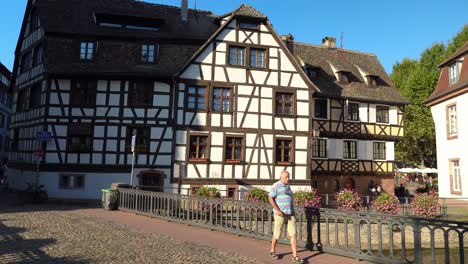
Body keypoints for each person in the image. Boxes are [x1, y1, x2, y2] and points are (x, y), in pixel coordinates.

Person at [268, 170, 303, 263]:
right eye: (285, 177)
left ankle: (295, 256)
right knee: (277, 233)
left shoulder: (288, 186)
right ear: (281, 177)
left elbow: (290, 199)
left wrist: (292, 211)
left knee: (293, 234)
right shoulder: (276, 185)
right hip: (280, 214)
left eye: (288, 177)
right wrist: (278, 210)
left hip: (290, 214)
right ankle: (272, 251)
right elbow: (270, 198)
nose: (287, 179)